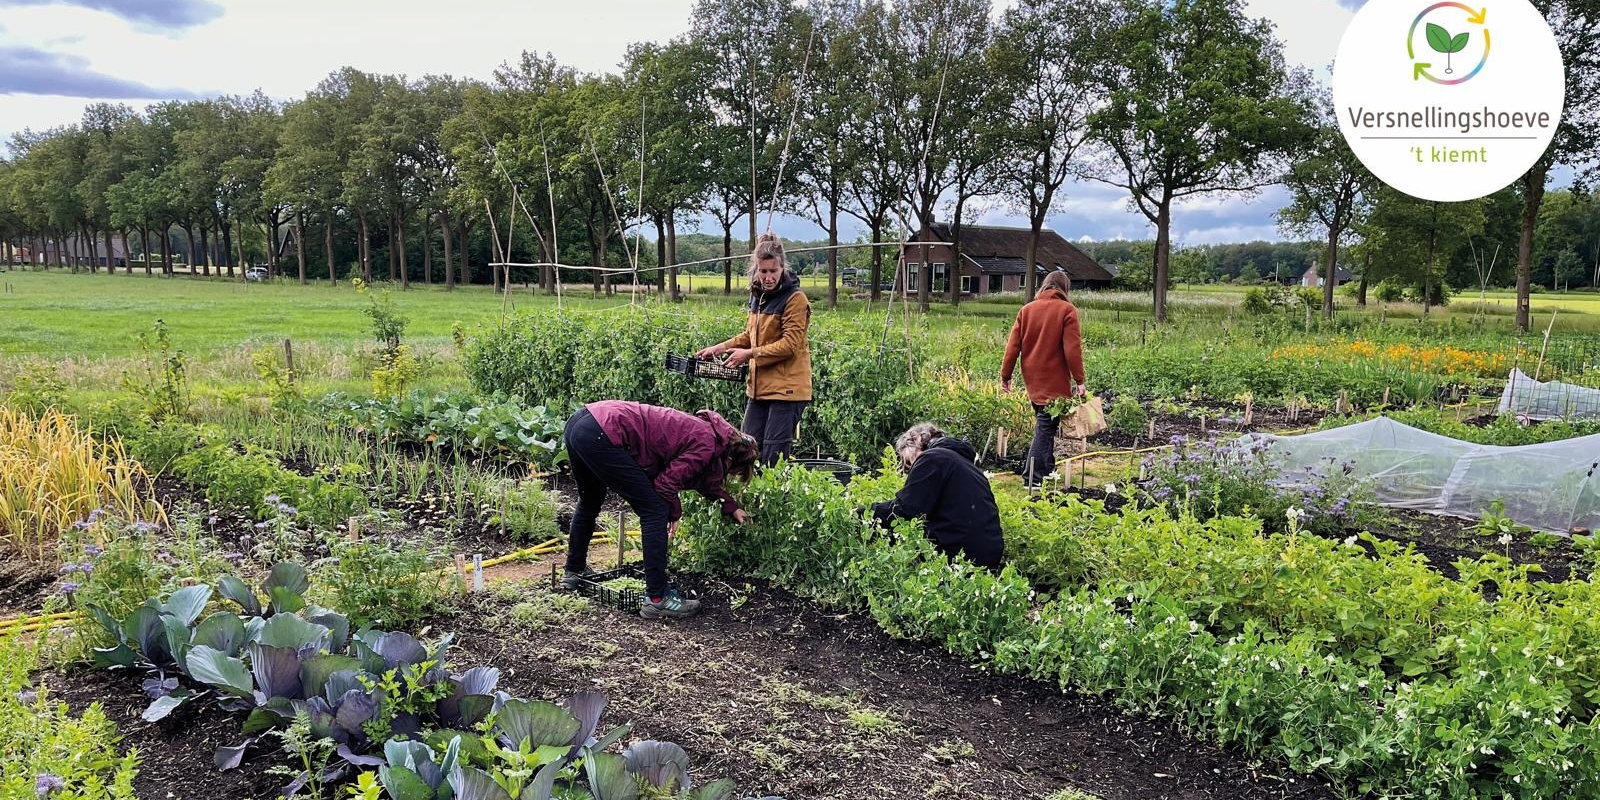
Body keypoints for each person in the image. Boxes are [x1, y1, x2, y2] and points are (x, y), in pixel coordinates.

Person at [560, 400, 758, 619]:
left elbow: (703, 480)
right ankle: (658, 598)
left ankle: (574, 571)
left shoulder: (709, 433)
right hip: (604, 432)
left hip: (582, 423)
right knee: (654, 510)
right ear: (731, 459)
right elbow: (665, 485)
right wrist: (674, 512)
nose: (727, 476)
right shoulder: (707, 443)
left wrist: (731, 507)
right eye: (732, 473)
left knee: (590, 500)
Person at [695, 232, 813, 465]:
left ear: (783, 268)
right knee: (744, 449)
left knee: (772, 458)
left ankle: (774, 500)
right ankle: (744, 500)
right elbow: (751, 336)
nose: (768, 277)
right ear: (756, 269)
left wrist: (749, 355)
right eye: (763, 271)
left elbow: (790, 345)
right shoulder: (758, 296)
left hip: (787, 389)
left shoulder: (795, 299)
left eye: (773, 271)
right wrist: (721, 347)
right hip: (759, 388)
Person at [870, 423, 1004, 572]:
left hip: (960, 557)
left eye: (908, 462)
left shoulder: (932, 458)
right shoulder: (964, 464)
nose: (910, 468)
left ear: (915, 442)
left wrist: (864, 514)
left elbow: (905, 509)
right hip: (987, 555)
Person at [1000, 270, 1087, 486]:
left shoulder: (1027, 310)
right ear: (1064, 288)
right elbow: (1072, 349)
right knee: (1046, 426)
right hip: (1054, 379)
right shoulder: (1067, 310)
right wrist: (1080, 380)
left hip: (1032, 377)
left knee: (1045, 422)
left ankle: (1047, 468)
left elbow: (1013, 347)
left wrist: (1006, 376)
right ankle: (1033, 476)